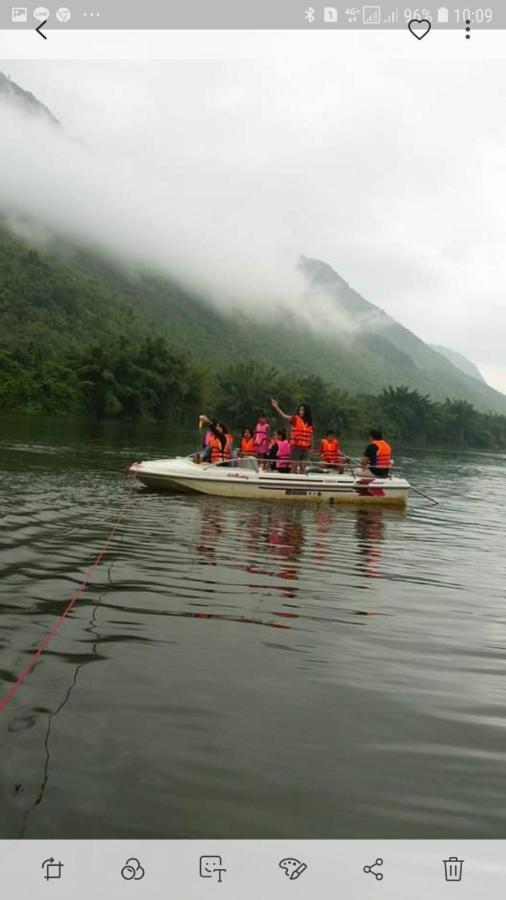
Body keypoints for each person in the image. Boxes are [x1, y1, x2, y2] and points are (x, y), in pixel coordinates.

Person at [270, 398, 313, 473]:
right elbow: (283, 416)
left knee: (303, 468)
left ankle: (301, 483)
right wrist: (276, 407)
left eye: (302, 410)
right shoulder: (295, 419)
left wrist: (310, 450)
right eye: (300, 410)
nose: (300, 412)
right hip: (296, 447)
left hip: (305, 448)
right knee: (294, 467)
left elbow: (310, 437)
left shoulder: (309, 423)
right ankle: (292, 480)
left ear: (306, 411)